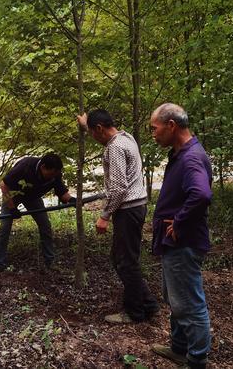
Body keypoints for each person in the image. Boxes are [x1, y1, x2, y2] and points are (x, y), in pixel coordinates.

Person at [77, 109, 159, 324]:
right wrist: (86, 126)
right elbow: (102, 136)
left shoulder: (115, 148)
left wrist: (104, 215)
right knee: (121, 258)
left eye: (94, 133)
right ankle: (148, 303)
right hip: (136, 206)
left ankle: (135, 312)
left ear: (100, 128)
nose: (95, 138)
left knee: (125, 262)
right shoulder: (126, 137)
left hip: (128, 210)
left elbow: (119, 188)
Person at [149, 103, 212, 369]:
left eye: (155, 128)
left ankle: (197, 360)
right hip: (174, 242)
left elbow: (201, 194)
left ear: (171, 126)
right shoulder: (181, 153)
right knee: (175, 298)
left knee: (188, 302)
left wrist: (180, 221)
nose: (153, 134)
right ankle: (179, 348)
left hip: (183, 243)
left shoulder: (191, 157)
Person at [0, 153, 74, 273]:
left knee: (45, 225)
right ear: (43, 167)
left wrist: (72, 200)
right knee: (5, 226)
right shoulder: (25, 166)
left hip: (33, 197)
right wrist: (12, 208)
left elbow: (62, 192)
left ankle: (50, 262)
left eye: (54, 175)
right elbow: (4, 185)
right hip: (13, 194)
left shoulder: (55, 174)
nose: (52, 177)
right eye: (50, 174)